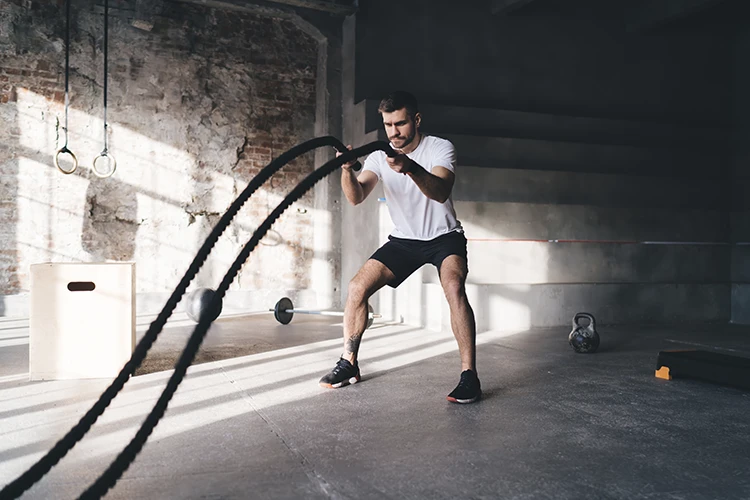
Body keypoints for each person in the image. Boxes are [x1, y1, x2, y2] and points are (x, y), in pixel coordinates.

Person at [319, 91, 481, 404]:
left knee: (453, 287)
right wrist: (346, 170)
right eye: (388, 125)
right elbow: (355, 196)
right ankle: (349, 363)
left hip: (444, 237)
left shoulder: (439, 148)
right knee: (356, 288)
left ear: (416, 120)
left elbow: (440, 191)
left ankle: (469, 375)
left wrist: (409, 167)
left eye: (401, 123)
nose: (394, 132)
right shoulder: (380, 156)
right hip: (405, 240)